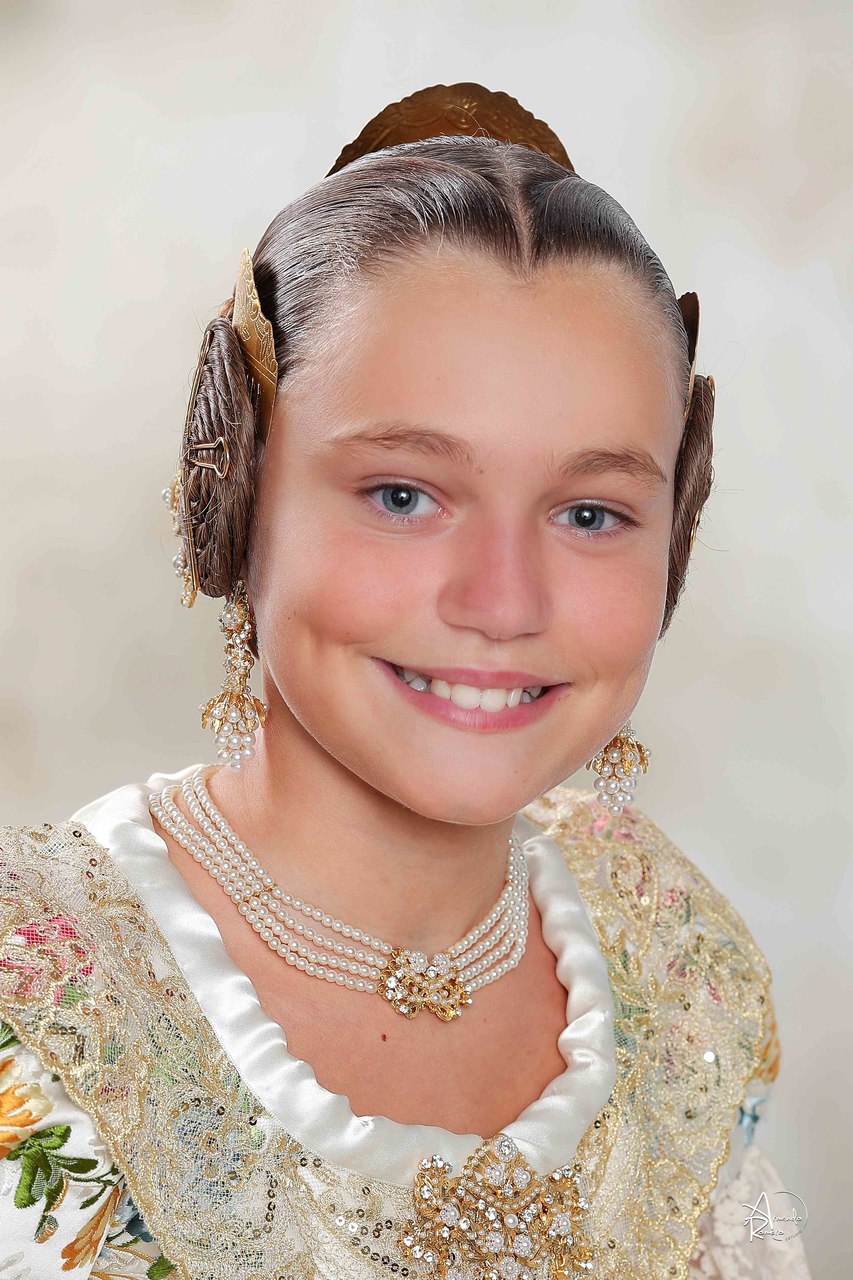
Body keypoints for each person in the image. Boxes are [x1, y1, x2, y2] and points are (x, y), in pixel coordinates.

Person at [0, 83, 812, 1280]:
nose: (503, 601)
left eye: (590, 512)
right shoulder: (36, 1006)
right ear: (235, 490)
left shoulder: (672, 957)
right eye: (403, 494)